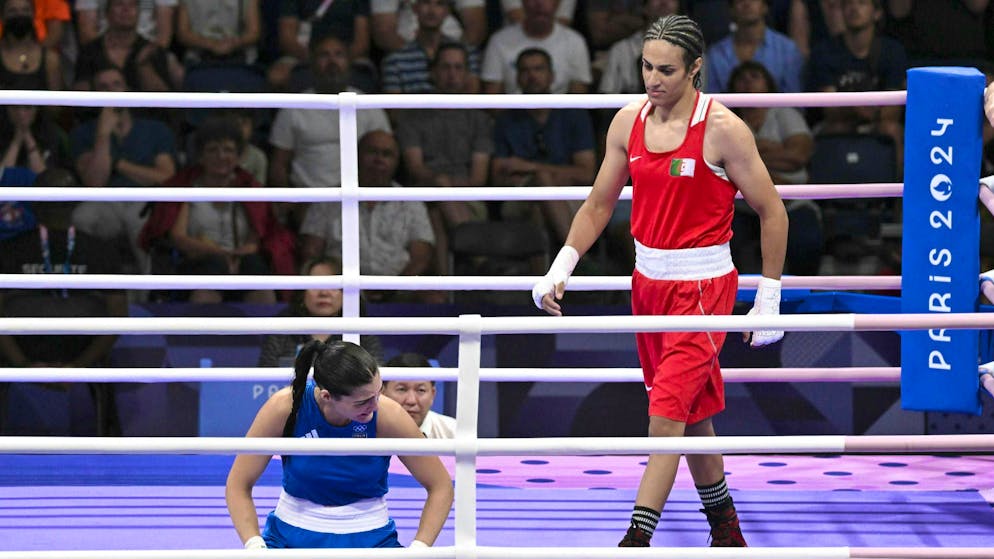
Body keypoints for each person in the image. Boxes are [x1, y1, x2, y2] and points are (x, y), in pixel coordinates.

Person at [531, 14, 788, 548]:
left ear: (695, 68)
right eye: (646, 66)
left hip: (703, 289)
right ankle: (727, 530)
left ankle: (635, 540)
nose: (653, 78)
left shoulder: (723, 129)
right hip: (646, 285)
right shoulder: (627, 121)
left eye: (666, 69)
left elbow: (772, 210)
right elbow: (599, 203)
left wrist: (768, 299)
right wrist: (563, 264)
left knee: (665, 419)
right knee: (691, 414)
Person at [225, 339, 453, 549]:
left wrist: (420, 549)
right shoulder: (285, 407)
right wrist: (254, 545)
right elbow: (238, 484)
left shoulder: (388, 414)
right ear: (326, 396)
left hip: (371, 538)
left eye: (378, 393)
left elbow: (441, 486)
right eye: (362, 401)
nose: (375, 406)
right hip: (289, 536)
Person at [256, 256, 385, 368]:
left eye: (333, 285)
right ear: (302, 293)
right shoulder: (281, 329)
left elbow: (376, 381)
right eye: (316, 284)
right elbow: (264, 380)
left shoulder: (363, 333)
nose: (324, 293)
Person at [382, 352, 456, 439]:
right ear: (383, 393)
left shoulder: (452, 431)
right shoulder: (366, 432)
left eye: (421, 390)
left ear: (433, 395)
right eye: (401, 389)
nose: (411, 400)